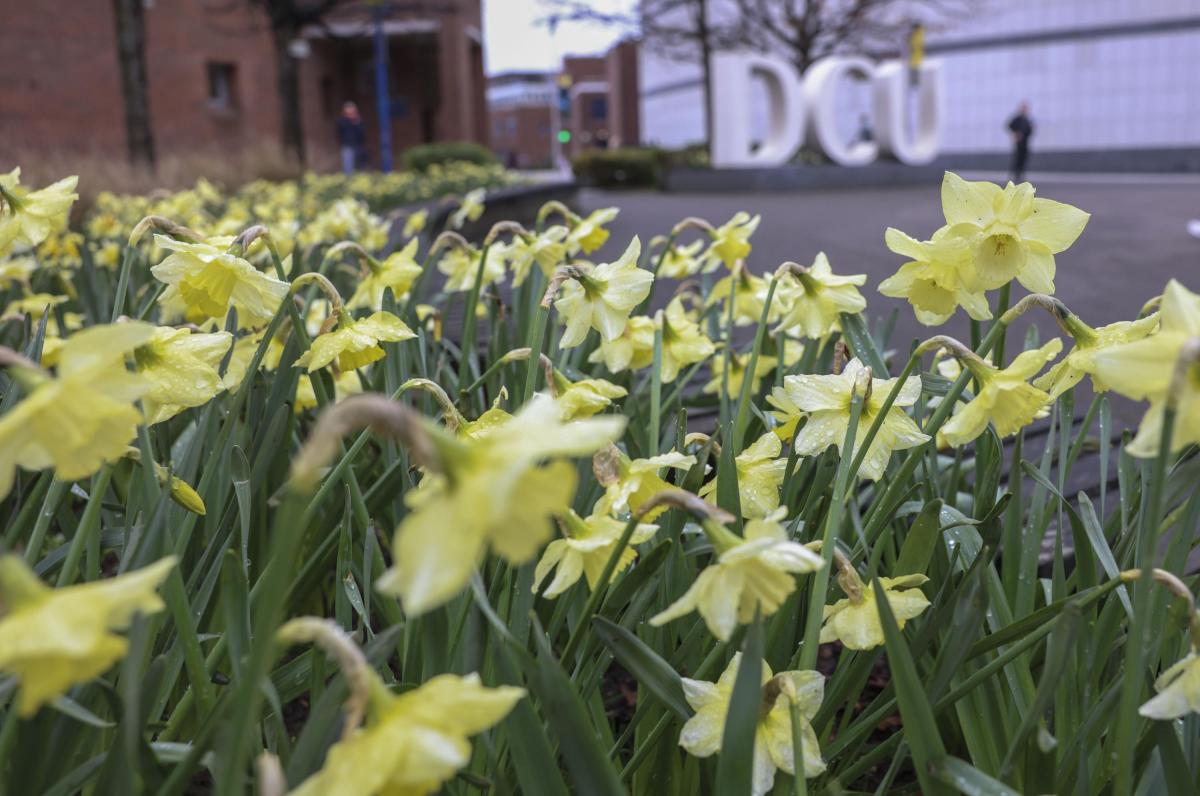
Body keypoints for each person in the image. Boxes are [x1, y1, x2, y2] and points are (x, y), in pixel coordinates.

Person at [1007, 102, 1034, 182]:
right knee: (1017, 158)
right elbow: (1009, 126)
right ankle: (1015, 173)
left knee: (1024, 158)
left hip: (1025, 142)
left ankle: (1021, 173)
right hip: (1018, 143)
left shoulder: (1027, 119)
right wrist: (1016, 133)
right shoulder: (1017, 118)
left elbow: (1029, 130)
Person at [337, 102, 366, 175]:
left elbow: (362, 134)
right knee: (348, 168)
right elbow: (339, 133)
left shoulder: (359, 121)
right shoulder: (342, 121)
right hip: (347, 146)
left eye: (352, 111)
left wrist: (357, 123)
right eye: (349, 112)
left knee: (360, 166)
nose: (351, 114)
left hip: (358, 146)